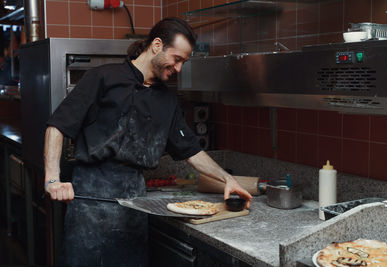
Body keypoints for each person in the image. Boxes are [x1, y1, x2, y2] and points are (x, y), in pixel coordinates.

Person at [44, 17, 252, 267]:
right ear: (156, 45)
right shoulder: (102, 78)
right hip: (90, 200)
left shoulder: (167, 100)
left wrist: (227, 179)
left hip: (135, 202)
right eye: (177, 59)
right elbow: (58, 126)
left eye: (183, 62)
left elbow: (191, 151)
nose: (178, 69)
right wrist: (53, 179)